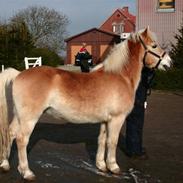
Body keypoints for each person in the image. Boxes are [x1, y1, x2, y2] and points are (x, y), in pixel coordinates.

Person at [123, 66, 155, 158]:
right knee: (136, 119)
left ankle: (135, 147)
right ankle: (134, 150)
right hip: (138, 88)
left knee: (135, 119)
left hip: (136, 87)